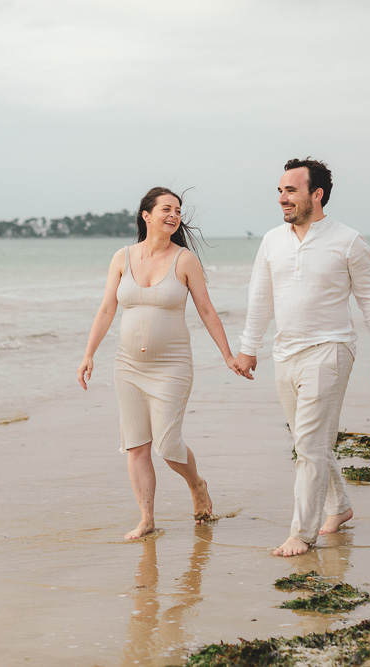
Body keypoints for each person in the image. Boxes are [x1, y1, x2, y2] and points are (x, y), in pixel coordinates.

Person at [235, 157, 370, 557]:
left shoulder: (348, 240)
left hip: (331, 350)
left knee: (308, 445)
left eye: (290, 190)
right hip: (285, 352)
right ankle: (339, 507)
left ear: (316, 194)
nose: (282, 199)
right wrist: (248, 347)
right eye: (279, 191)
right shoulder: (272, 240)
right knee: (308, 442)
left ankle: (301, 534)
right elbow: (260, 296)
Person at [78, 187, 242, 540]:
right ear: (146, 215)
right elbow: (107, 308)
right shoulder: (122, 257)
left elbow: (207, 309)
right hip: (128, 367)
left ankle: (196, 484)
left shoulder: (184, 260)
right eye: (166, 208)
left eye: (178, 211)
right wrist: (88, 353)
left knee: (167, 445)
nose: (174, 215)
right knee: (136, 445)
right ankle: (147, 518)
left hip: (172, 365)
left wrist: (228, 354)